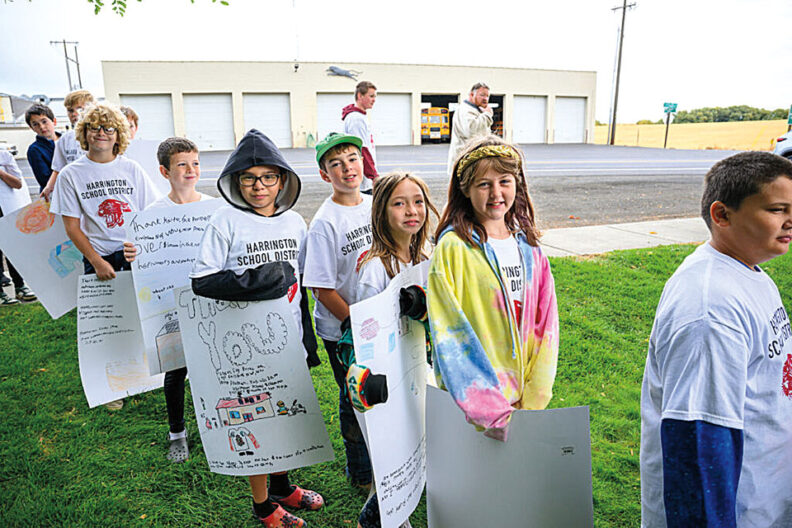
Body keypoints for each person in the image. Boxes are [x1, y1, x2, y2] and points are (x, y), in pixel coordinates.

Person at [640, 151, 792, 527]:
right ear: (722, 215)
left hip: (767, 501)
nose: (790, 220)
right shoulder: (711, 309)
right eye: (777, 209)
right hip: (737, 513)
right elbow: (697, 444)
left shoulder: (748, 270)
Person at [190, 129, 323, 528]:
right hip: (245, 345)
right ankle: (262, 504)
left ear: (282, 179)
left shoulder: (296, 222)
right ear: (236, 181)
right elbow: (202, 279)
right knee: (256, 420)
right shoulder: (225, 220)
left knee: (285, 414)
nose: (259, 186)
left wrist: (307, 339)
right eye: (249, 178)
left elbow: (300, 281)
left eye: (268, 177)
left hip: (287, 340)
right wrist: (266, 277)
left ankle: (282, 486)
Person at [428, 134, 559, 441]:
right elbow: (449, 336)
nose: (496, 192)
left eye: (504, 181)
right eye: (483, 184)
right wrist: (491, 412)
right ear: (466, 189)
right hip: (473, 409)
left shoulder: (530, 249)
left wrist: (534, 399)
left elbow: (546, 327)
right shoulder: (453, 249)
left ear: (518, 184)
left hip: (525, 406)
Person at [49, 103, 159, 410]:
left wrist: (141, 246)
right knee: (108, 325)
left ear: (118, 134)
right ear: (83, 133)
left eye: (108, 128)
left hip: (133, 254)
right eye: (94, 127)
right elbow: (71, 225)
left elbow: (149, 212)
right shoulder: (72, 174)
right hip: (98, 257)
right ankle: (112, 389)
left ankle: (141, 376)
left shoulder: (131, 169)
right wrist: (97, 261)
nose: (101, 133)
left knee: (139, 318)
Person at [350, 172, 438, 528]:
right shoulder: (375, 268)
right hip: (381, 381)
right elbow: (366, 336)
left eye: (417, 201)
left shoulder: (426, 254)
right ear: (381, 211)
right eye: (399, 203)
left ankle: (396, 513)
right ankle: (375, 518)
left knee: (415, 446)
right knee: (387, 455)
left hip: (417, 368)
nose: (411, 211)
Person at [122, 137, 213, 462]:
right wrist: (133, 253)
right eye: (182, 165)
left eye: (195, 163)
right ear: (164, 171)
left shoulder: (214, 208)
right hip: (170, 307)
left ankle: (214, 426)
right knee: (176, 370)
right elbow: (143, 260)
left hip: (209, 303)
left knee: (211, 368)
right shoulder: (152, 216)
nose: (191, 171)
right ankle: (177, 433)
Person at [303, 132, 374, 489]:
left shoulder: (375, 204)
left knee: (379, 390)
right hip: (344, 328)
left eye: (352, 159)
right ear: (323, 174)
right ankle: (360, 471)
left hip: (378, 321)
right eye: (336, 163)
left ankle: (384, 453)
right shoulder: (324, 223)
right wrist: (355, 323)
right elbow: (321, 287)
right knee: (353, 397)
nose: (347, 168)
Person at [41, 89, 95, 200]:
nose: (75, 113)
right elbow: (58, 168)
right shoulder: (65, 139)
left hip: (95, 188)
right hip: (74, 191)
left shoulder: (99, 135)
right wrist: (49, 187)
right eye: (70, 110)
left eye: (80, 108)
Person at [0, 150, 37, 304]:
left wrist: (1, 172)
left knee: (11, 248)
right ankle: (1, 294)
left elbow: (18, 183)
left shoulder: (4, 155)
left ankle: (20, 286)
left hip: (6, 207)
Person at [447, 83, 493, 177]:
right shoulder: (466, 110)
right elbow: (472, 132)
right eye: (482, 95)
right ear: (472, 95)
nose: (485, 98)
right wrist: (487, 115)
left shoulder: (475, 110)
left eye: (487, 96)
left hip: (470, 161)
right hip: (464, 163)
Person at [342, 81, 378, 193]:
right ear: (360, 96)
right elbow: (361, 148)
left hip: (364, 177)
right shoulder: (356, 119)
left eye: (375, 96)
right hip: (362, 181)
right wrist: (373, 176)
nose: (374, 100)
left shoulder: (360, 116)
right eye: (371, 96)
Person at [25, 103, 61, 192]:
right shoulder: (34, 150)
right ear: (31, 128)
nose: (41, 127)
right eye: (35, 124)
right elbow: (45, 180)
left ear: (54, 121)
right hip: (55, 195)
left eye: (44, 121)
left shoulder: (68, 140)